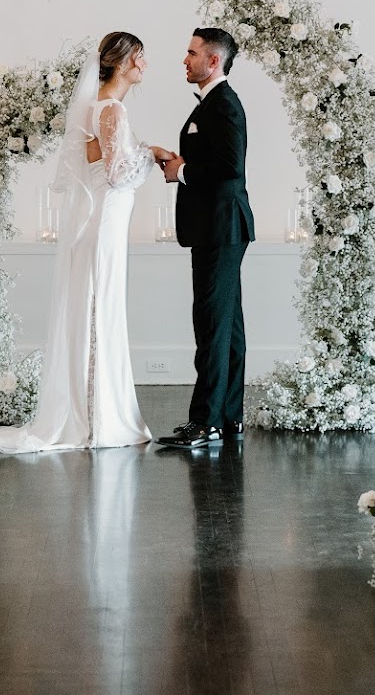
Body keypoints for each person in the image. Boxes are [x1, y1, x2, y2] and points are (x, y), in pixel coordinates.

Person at [0, 32, 157, 452]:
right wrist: (150, 157)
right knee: (97, 313)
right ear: (123, 62)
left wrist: (142, 150)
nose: (146, 65)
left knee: (98, 311)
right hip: (104, 228)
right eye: (140, 57)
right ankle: (99, 420)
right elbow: (116, 174)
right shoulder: (111, 110)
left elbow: (100, 163)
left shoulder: (99, 109)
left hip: (101, 228)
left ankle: (95, 413)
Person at [149, 27, 255, 449]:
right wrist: (180, 161)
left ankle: (205, 422)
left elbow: (230, 167)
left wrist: (182, 172)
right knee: (228, 328)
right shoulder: (213, 105)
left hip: (221, 227)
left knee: (211, 325)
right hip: (220, 227)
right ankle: (229, 418)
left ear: (214, 61)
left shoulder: (224, 105)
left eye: (191, 53)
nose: (184, 60)